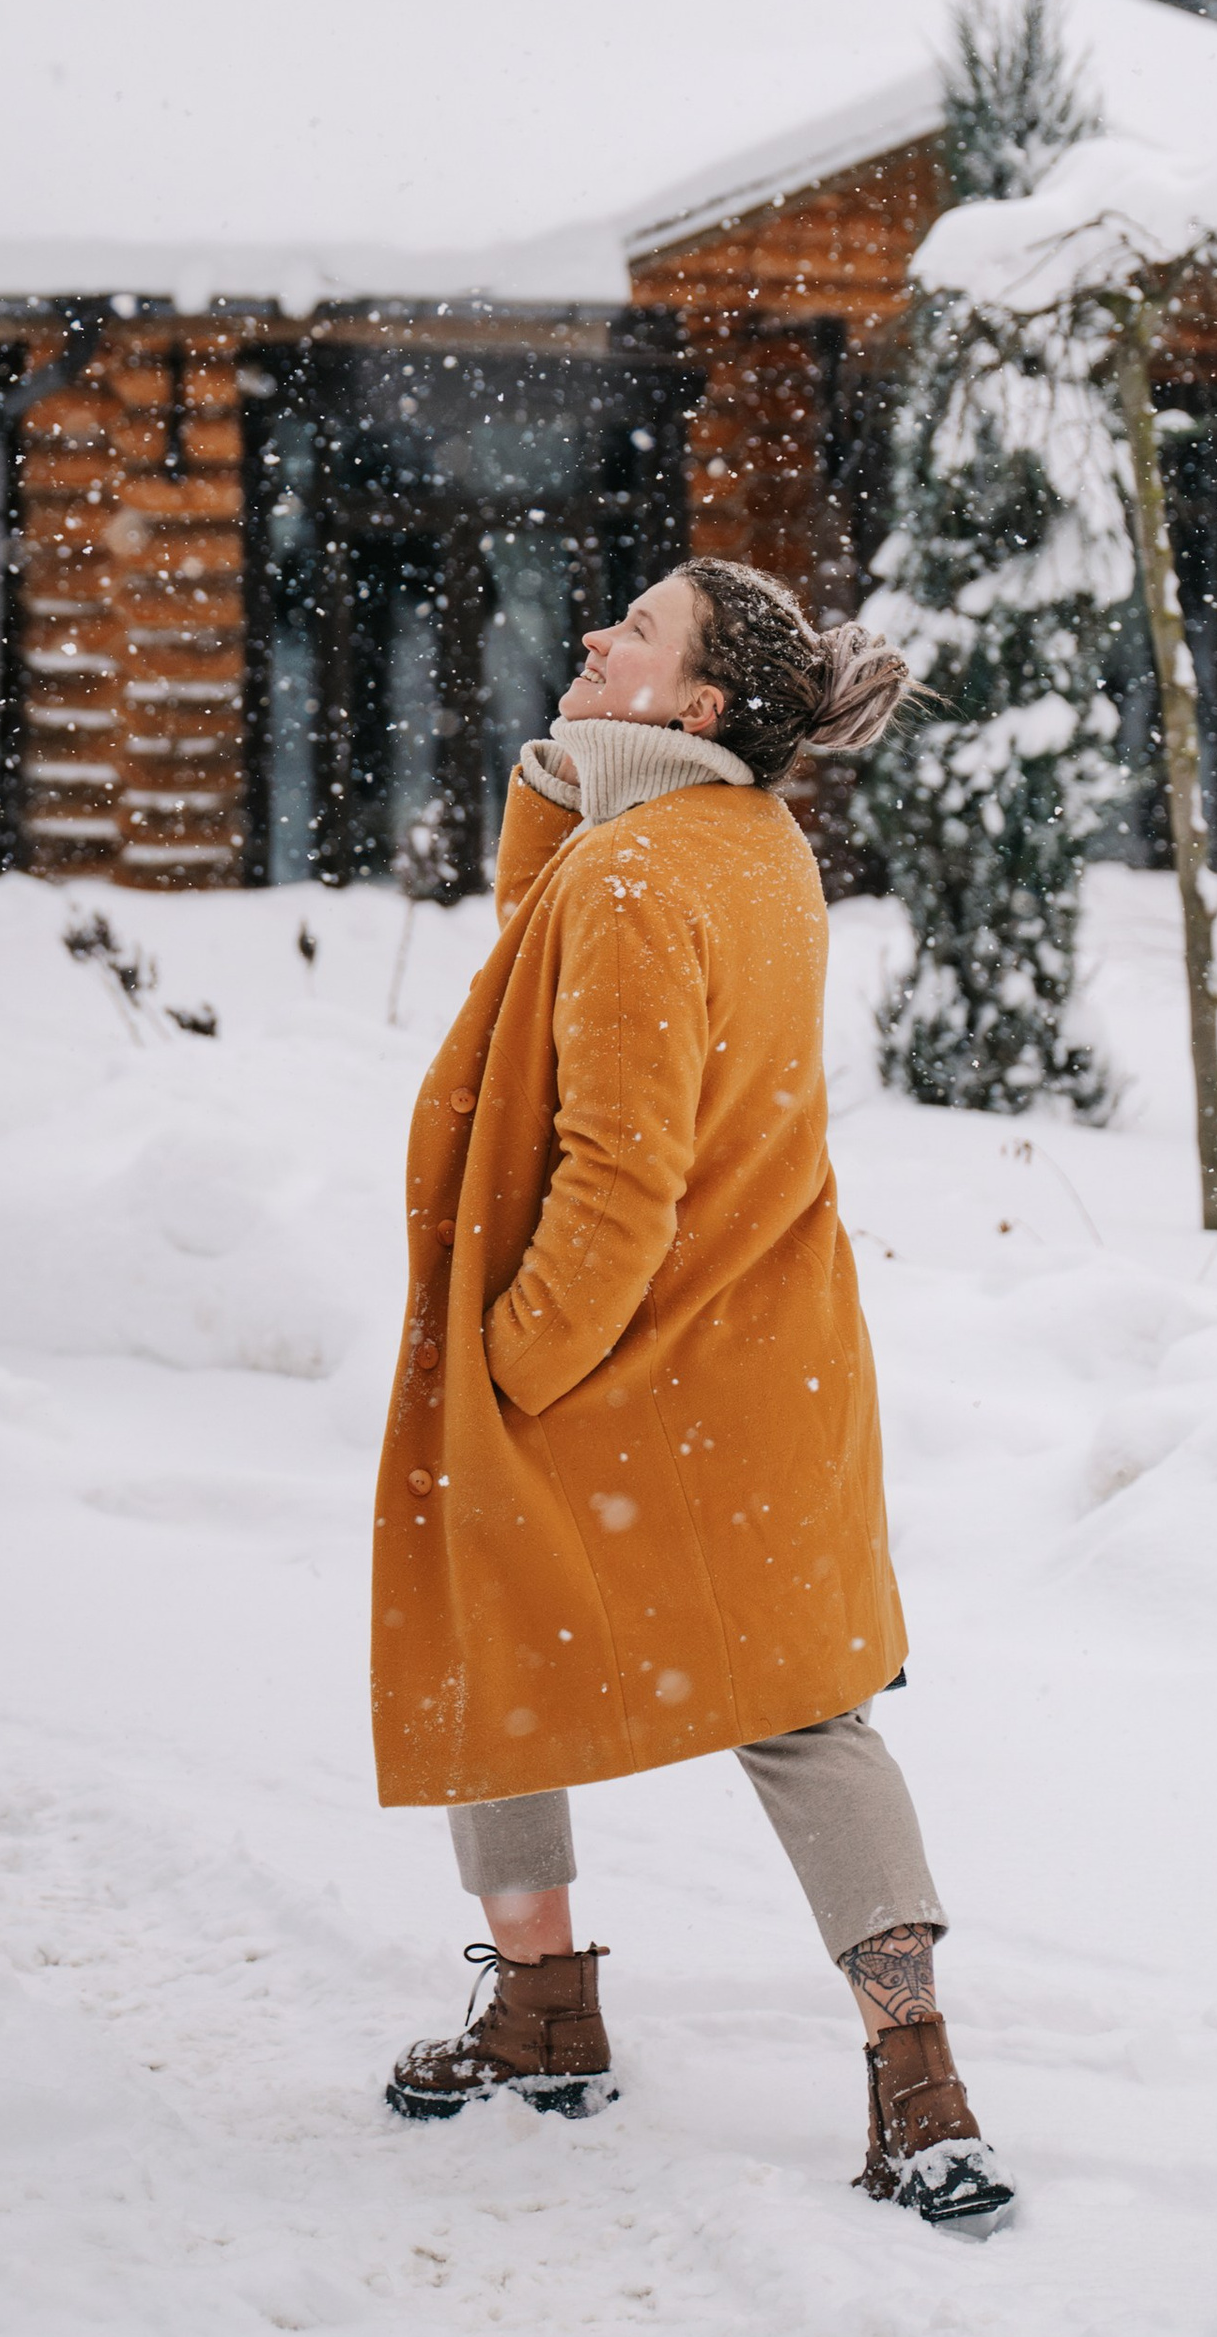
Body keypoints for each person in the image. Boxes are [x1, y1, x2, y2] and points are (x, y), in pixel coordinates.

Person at [370, 558, 1013, 2237]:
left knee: (481, 1629)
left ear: (696, 708)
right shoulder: (741, 847)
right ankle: (915, 2073)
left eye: (633, 632)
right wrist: (553, 781)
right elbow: (546, 958)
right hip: (764, 1364)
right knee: (807, 1709)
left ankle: (542, 2011)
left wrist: (510, 1364)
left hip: (622, 1363)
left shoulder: (641, 878)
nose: (595, 635)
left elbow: (614, 1172)